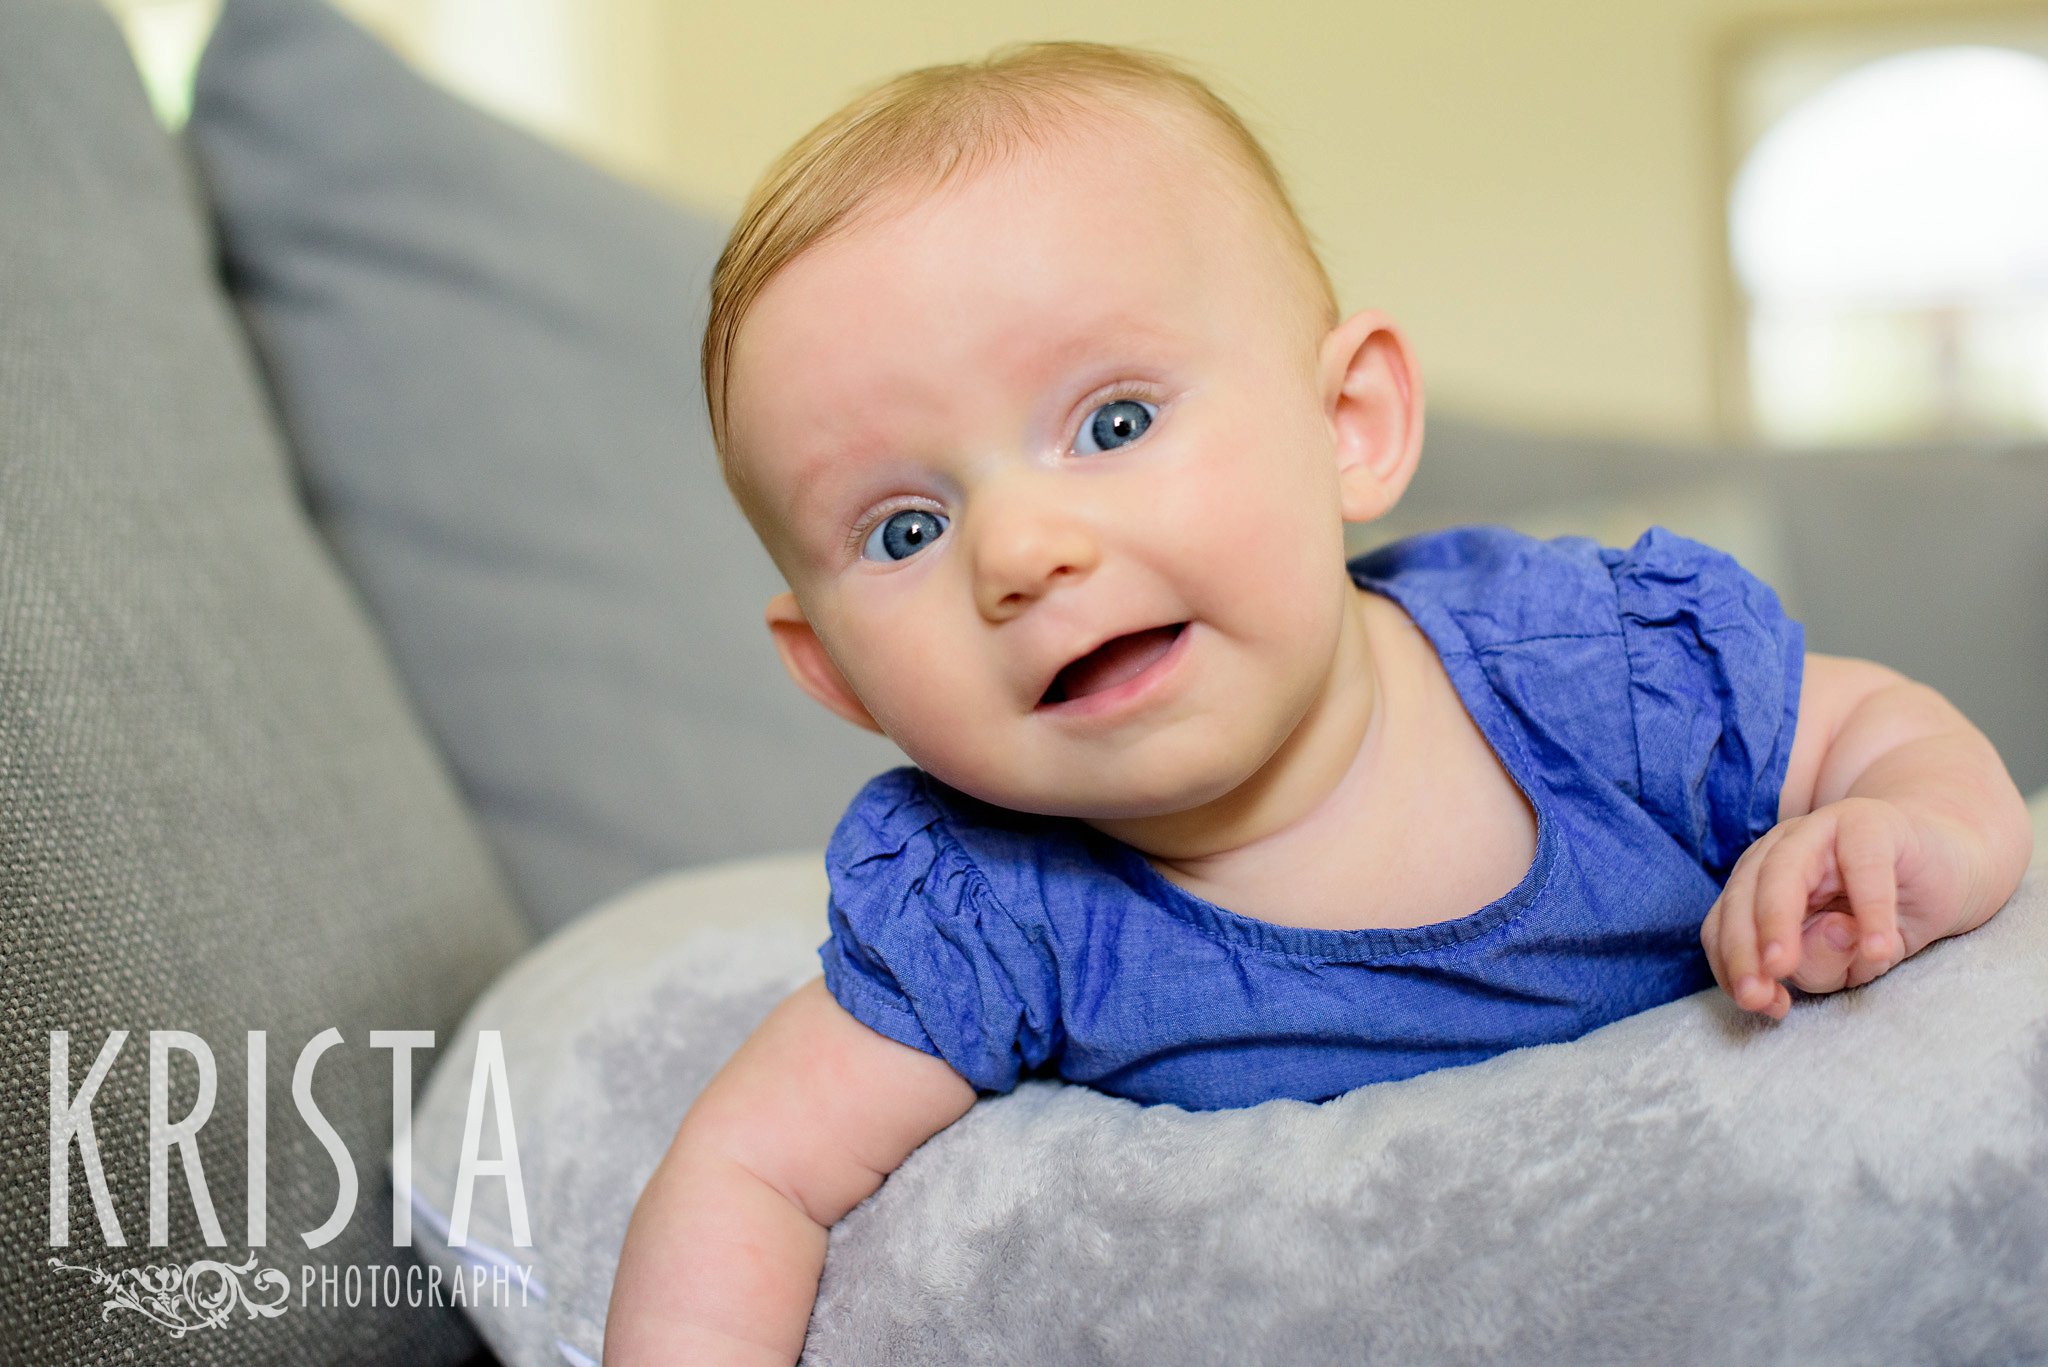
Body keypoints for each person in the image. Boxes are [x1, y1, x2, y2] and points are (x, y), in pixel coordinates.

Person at [602, 42, 2033, 1365]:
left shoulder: (1587, 675)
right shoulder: (990, 904)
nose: (1022, 555)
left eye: (1113, 423)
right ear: (836, 673)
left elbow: (1880, 730)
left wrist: (1911, 830)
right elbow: (749, 1171)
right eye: (906, 528)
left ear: (1349, 429)